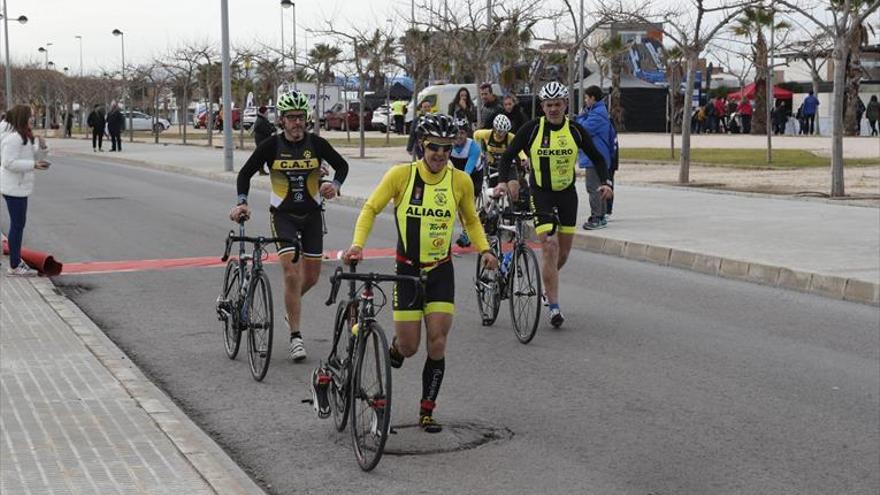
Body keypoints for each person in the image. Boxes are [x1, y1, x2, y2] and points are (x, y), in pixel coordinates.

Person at [341, 114, 498, 433]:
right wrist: (358, 244)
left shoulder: (460, 181)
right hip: (407, 270)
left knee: (437, 342)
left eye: (446, 147)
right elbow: (371, 208)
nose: (440, 154)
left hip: (441, 270)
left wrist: (485, 250)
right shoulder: (401, 176)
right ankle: (395, 351)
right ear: (421, 146)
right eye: (433, 147)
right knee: (410, 346)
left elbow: (470, 219)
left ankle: (427, 410)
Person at [230, 90, 349, 362]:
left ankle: (289, 306)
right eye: (291, 118)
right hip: (282, 216)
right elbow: (245, 174)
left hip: (311, 216)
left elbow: (342, 166)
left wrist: (335, 185)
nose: (297, 123)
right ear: (281, 120)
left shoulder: (317, 144)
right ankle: (296, 336)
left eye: (301, 117)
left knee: (312, 277)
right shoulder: (271, 146)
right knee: (291, 274)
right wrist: (242, 202)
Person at [495, 82, 612, 328]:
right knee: (549, 245)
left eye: (557, 104)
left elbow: (598, 157)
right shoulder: (532, 129)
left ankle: (546, 279)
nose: (553, 109)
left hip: (567, 194)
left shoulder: (576, 130)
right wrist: (505, 182)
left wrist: (606, 181)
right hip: (541, 193)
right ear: (542, 107)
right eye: (548, 105)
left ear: (565, 105)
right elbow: (507, 156)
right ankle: (554, 306)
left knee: (563, 253)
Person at [1, 105, 50, 277]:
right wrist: (33, 165)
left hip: (20, 187)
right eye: (30, 116)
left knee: (19, 224)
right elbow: (8, 162)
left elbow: (35, 156)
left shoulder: (25, 136)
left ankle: (16, 262)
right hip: (13, 188)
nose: (33, 118)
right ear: (23, 117)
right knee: (17, 225)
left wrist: (42, 146)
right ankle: (14, 265)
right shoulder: (13, 138)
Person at [575, 86, 615, 230]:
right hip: (599, 155)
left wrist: (579, 118)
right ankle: (602, 215)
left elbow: (583, 129)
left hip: (595, 156)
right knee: (600, 186)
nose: (585, 101)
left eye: (586, 98)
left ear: (592, 98)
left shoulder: (597, 115)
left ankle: (597, 216)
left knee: (593, 187)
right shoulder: (597, 112)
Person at [448, 118, 481, 247]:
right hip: (458, 174)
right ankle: (466, 230)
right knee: (460, 209)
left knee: (466, 204)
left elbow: (467, 171)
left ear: (466, 134)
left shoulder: (473, 147)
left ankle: (468, 232)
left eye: (462, 133)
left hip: (473, 174)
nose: (459, 136)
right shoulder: (449, 145)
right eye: (456, 132)